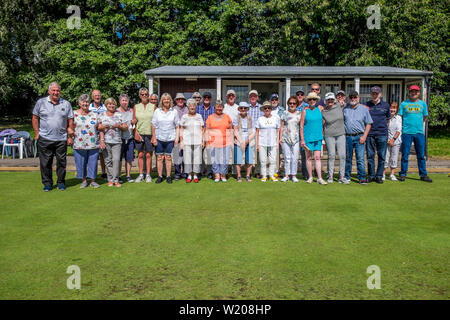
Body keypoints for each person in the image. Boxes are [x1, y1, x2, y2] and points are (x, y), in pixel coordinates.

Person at [32, 82, 74, 191]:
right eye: (53, 90)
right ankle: (47, 184)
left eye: (58, 90)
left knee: (61, 162)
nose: (56, 92)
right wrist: (37, 133)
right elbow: (35, 118)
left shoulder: (66, 104)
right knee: (45, 163)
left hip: (61, 138)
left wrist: (70, 137)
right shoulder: (41, 102)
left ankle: (61, 182)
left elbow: (70, 121)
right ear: (49, 91)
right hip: (45, 138)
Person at [398, 85, 432, 182]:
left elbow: (425, 117)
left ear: (419, 93)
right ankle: (403, 174)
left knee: (421, 155)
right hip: (406, 132)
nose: (414, 93)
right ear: (409, 92)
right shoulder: (404, 104)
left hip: (419, 133)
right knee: (405, 154)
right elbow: (400, 117)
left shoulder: (423, 104)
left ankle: (423, 175)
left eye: (416, 91)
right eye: (412, 91)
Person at [71, 94, 101, 188]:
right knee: (80, 162)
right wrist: (69, 136)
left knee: (93, 162)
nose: (85, 103)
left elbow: (99, 127)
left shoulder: (95, 114)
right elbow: (70, 127)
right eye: (83, 102)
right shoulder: (74, 114)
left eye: (87, 102)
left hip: (93, 143)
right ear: (79, 103)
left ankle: (92, 181)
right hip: (79, 143)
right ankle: (84, 180)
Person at [343, 91, 373, 184]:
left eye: (355, 97)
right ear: (349, 98)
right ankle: (347, 176)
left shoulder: (364, 109)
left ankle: (362, 177)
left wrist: (364, 136)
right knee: (348, 158)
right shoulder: (345, 108)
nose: (353, 99)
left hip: (359, 136)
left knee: (360, 159)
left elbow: (368, 123)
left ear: (358, 98)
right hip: (348, 136)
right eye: (351, 97)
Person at [98, 98, 128, 187]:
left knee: (116, 160)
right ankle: (111, 179)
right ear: (106, 105)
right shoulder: (101, 115)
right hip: (106, 141)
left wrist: (119, 126)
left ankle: (116, 179)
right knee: (107, 161)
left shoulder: (119, 115)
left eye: (113, 104)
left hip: (117, 141)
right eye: (109, 104)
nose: (111, 106)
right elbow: (99, 128)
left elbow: (125, 127)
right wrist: (102, 140)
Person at [152, 93, 180, 184]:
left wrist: (176, 139)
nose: (166, 101)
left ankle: (168, 176)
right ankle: (160, 176)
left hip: (170, 138)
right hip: (159, 137)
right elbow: (153, 125)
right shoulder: (157, 111)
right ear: (162, 101)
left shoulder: (174, 111)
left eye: (168, 99)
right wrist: (154, 137)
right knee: (159, 158)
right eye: (164, 99)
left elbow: (177, 126)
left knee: (168, 157)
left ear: (170, 101)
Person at [300, 92, 327, 185]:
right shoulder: (305, 111)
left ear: (316, 101)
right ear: (308, 101)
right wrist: (302, 139)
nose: (312, 101)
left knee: (317, 158)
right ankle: (310, 177)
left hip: (318, 137)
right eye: (310, 99)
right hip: (308, 138)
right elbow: (301, 126)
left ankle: (319, 178)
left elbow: (325, 119)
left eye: (314, 99)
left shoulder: (320, 109)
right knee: (308, 158)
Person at [366, 86, 391, 184]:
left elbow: (388, 120)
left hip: (382, 134)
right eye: (373, 93)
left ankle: (379, 176)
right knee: (370, 156)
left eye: (376, 93)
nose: (374, 95)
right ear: (371, 94)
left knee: (381, 156)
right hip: (370, 134)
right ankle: (371, 175)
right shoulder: (366, 105)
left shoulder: (385, 105)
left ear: (380, 94)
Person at [322, 92, 347, 184]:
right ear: (326, 101)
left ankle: (342, 176)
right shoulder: (323, 111)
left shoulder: (340, 105)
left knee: (342, 155)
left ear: (334, 100)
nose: (330, 101)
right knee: (331, 155)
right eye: (328, 100)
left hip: (341, 134)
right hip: (329, 135)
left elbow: (351, 106)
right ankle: (330, 175)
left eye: (332, 99)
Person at [205, 100, 233, 182]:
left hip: (225, 142)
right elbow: (207, 130)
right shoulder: (210, 117)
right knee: (215, 160)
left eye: (221, 106)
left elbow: (231, 130)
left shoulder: (227, 117)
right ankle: (217, 175)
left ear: (223, 108)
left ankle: (223, 175)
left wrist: (231, 141)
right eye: (217, 106)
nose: (219, 108)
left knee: (224, 160)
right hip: (213, 143)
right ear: (214, 108)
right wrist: (206, 142)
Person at [133, 88, 155, 183]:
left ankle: (148, 175)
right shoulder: (136, 106)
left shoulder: (153, 106)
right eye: (142, 94)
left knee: (149, 155)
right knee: (141, 155)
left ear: (148, 95)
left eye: (146, 94)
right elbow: (134, 121)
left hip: (150, 133)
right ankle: (141, 174)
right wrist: (135, 133)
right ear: (139, 96)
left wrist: (154, 136)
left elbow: (155, 123)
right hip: (139, 133)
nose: (144, 96)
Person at [179, 98, 204, 183]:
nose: (192, 107)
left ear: (196, 106)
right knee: (187, 159)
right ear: (188, 107)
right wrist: (181, 141)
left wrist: (203, 140)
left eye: (193, 105)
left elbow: (202, 129)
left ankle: (196, 175)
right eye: (190, 106)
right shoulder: (184, 117)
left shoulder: (199, 116)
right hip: (187, 141)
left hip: (198, 140)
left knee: (197, 158)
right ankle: (189, 175)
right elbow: (181, 129)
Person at [256, 101, 281, 182]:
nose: (267, 109)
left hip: (273, 142)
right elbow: (257, 132)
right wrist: (257, 144)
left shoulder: (275, 118)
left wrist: (277, 143)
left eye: (268, 108)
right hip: (262, 142)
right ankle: (264, 175)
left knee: (273, 160)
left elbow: (278, 131)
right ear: (263, 109)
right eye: (265, 108)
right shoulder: (260, 119)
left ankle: (271, 175)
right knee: (263, 160)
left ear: (271, 109)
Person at [279, 96, 301, 182]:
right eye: (290, 103)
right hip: (285, 138)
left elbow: (302, 126)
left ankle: (294, 175)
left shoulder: (299, 114)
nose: (292, 105)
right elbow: (282, 126)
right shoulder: (284, 113)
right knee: (287, 157)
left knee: (295, 158)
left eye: (294, 103)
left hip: (296, 138)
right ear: (288, 104)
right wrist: (280, 138)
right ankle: (287, 175)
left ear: (297, 104)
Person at [233, 102, 256, 182]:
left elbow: (254, 131)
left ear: (247, 109)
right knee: (238, 159)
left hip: (249, 139)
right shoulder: (236, 117)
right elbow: (235, 130)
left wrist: (247, 141)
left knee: (249, 159)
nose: (243, 109)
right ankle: (239, 176)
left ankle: (248, 175)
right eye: (241, 108)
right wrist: (241, 141)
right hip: (238, 139)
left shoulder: (251, 118)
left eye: (245, 108)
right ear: (239, 109)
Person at [116, 94, 135, 183]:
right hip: (119, 139)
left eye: (126, 100)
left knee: (129, 158)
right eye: (123, 100)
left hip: (130, 138)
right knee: (119, 159)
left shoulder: (131, 111)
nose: (124, 102)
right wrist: (121, 126)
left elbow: (135, 121)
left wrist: (134, 121)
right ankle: (119, 176)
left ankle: (128, 175)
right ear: (120, 101)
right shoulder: (116, 111)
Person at [89, 89, 107, 179]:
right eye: (95, 95)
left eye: (99, 95)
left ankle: (104, 172)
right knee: (92, 155)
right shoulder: (89, 107)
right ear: (92, 97)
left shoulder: (105, 107)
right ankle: (92, 173)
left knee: (103, 154)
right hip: (91, 134)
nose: (97, 96)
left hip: (103, 134)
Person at [196, 91, 215, 179]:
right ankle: (199, 171)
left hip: (210, 134)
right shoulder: (197, 108)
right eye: (205, 97)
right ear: (202, 98)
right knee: (199, 154)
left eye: (208, 97)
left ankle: (209, 172)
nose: (207, 99)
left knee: (210, 154)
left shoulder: (214, 109)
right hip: (199, 133)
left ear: (210, 99)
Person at [383, 102, 402, 181]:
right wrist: (387, 139)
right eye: (391, 108)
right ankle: (383, 174)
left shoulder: (399, 118)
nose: (392, 109)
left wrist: (393, 140)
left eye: (394, 108)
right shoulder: (385, 117)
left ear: (397, 109)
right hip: (386, 140)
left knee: (394, 158)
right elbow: (384, 129)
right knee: (385, 158)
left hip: (396, 141)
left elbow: (398, 130)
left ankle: (392, 174)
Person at [248, 89, 263, 178]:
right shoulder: (246, 107)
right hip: (248, 133)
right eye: (251, 96)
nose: (253, 97)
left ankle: (257, 171)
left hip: (259, 133)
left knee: (258, 153)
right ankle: (248, 171)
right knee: (249, 153)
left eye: (254, 96)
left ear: (257, 97)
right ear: (249, 97)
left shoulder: (261, 107)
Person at [173, 93, 189, 180]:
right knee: (177, 155)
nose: (180, 101)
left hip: (186, 135)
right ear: (176, 100)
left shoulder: (187, 109)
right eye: (178, 99)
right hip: (176, 135)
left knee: (185, 156)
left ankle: (185, 173)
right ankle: (177, 173)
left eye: (182, 99)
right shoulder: (173, 109)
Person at [296, 89, 309, 180]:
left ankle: (306, 174)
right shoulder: (293, 106)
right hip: (295, 133)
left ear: (304, 96)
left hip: (305, 133)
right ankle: (293, 174)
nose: (300, 96)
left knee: (305, 155)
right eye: (298, 94)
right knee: (296, 154)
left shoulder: (307, 106)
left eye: (301, 94)